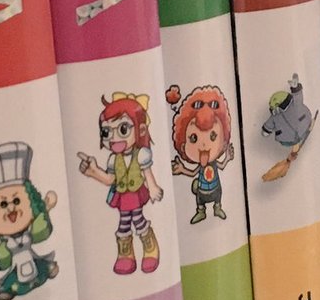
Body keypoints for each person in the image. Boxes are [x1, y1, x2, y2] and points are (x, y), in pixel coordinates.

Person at [79, 93, 165, 274]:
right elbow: (110, 180)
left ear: (140, 129)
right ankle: (126, 254)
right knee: (124, 223)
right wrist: (93, 171)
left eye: (123, 129)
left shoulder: (141, 154)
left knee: (138, 220)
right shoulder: (113, 159)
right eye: (106, 132)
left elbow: (147, 174)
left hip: (136, 193)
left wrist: (153, 188)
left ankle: (150, 246)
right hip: (122, 196)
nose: (113, 138)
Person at [0, 141, 57, 300]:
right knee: (13, 281)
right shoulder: (7, 243)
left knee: (43, 268)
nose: (11, 208)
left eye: (17, 201)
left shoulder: (30, 231)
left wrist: (46, 208)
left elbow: (42, 231)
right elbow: (2, 254)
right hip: (17, 266)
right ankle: (9, 291)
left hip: (32, 260)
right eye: (3, 204)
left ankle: (48, 271)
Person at [166, 83, 234, 224]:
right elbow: (193, 173)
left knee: (218, 195)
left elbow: (222, 165)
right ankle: (201, 211)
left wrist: (227, 157)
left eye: (213, 136)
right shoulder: (201, 165)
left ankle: (217, 207)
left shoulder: (213, 161)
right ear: (183, 145)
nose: (203, 144)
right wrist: (182, 169)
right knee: (199, 198)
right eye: (194, 138)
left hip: (215, 189)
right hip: (201, 191)